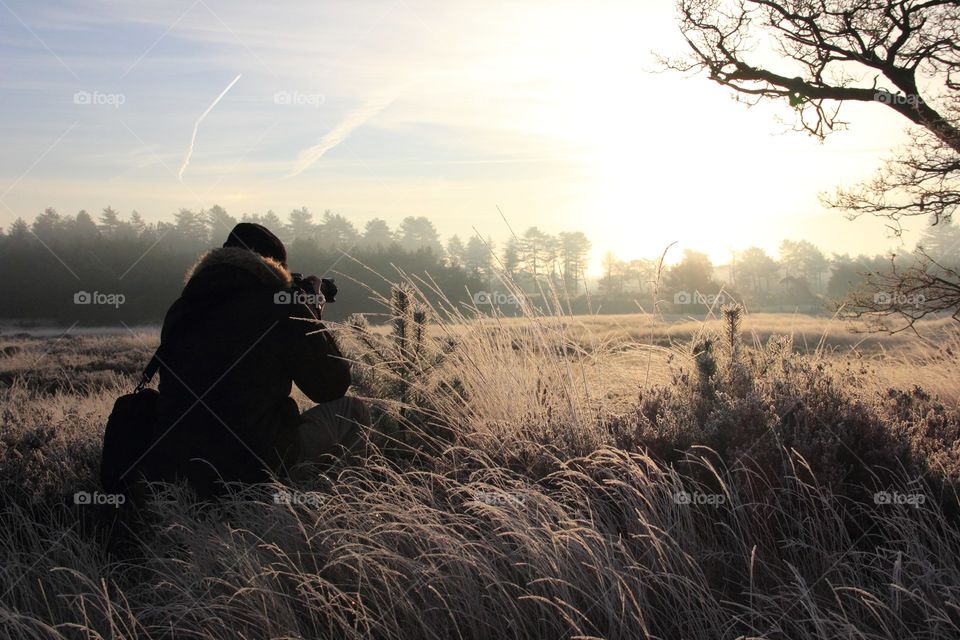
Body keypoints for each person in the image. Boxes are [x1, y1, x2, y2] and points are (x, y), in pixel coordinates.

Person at [146, 223, 370, 498]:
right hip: (256, 465)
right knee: (352, 411)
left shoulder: (181, 309)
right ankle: (343, 505)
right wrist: (310, 315)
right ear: (275, 266)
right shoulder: (279, 304)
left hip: (179, 466)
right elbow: (331, 386)